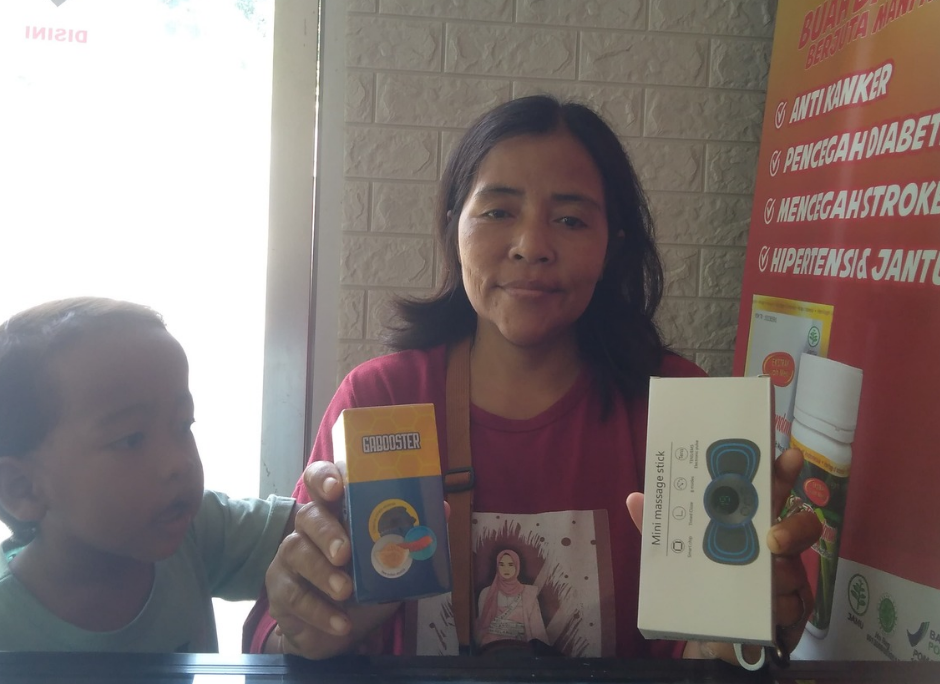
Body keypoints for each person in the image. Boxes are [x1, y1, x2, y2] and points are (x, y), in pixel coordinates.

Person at [245, 95, 822, 664]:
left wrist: (738, 630)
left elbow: (702, 657)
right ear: (453, 226)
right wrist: (309, 627)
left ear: (612, 246)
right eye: (498, 212)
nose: (531, 247)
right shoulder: (380, 399)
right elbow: (275, 634)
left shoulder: (680, 408)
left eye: (570, 220)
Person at [0, 297, 296, 651]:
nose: (179, 463)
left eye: (183, 425)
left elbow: (309, 532)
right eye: (131, 439)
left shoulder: (195, 530)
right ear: (23, 488)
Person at [476, 549, 549, 649]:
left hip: (520, 647)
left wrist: (542, 653)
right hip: (492, 647)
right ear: (497, 567)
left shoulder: (528, 594)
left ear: (517, 566)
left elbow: (537, 627)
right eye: (501, 565)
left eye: (511, 565)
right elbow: (481, 626)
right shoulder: (486, 593)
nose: (506, 569)